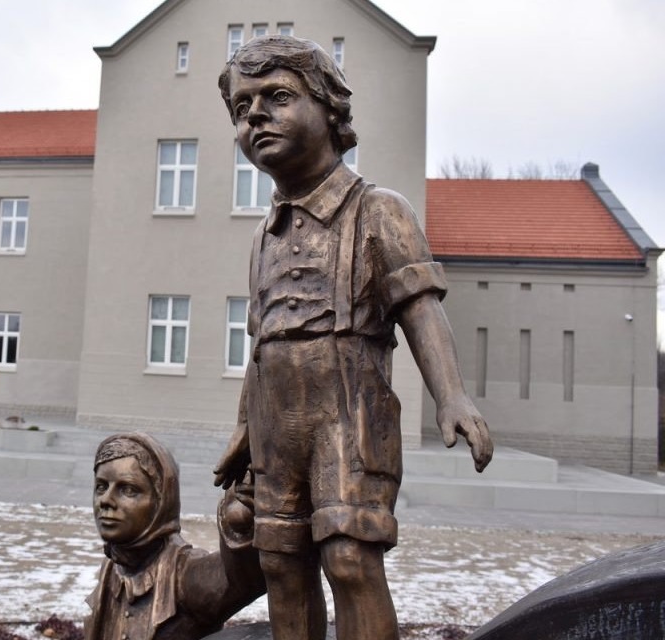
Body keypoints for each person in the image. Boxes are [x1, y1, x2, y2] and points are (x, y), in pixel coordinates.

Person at [213, 35, 494, 640]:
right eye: (241, 108)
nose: (254, 115)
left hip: (350, 414)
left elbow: (419, 307)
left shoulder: (378, 210)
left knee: (349, 557)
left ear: (330, 109)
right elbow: (261, 341)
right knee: (282, 564)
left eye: (276, 97)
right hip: (274, 423)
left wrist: (453, 396)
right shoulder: (263, 237)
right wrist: (244, 426)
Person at [84, 432, 266, 640]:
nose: (105, 500)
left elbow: (241, 578)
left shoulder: (184, 575)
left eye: (128, 490)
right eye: (101, 487)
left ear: (161, 502)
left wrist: (242, 522)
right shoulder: (112, 569)